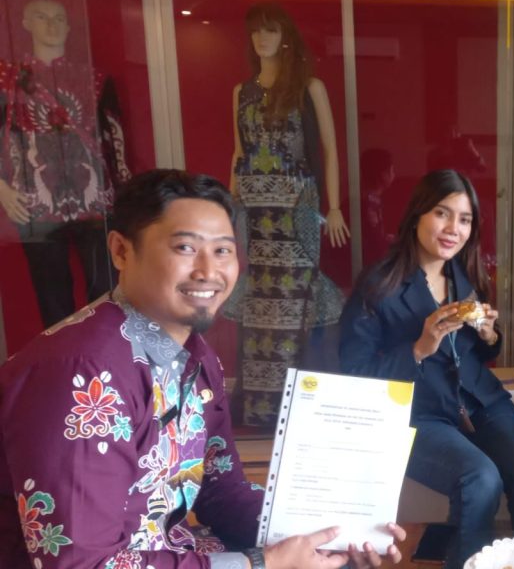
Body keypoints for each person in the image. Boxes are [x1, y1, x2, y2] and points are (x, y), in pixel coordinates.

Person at [0, 169, 404, 569]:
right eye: (185, 248)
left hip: (171, 551)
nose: (209, 271)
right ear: (121, 251)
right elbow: (79, 564)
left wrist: (330, 535)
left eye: (223, 251)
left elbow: (221, 491)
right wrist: (260, 564)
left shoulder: (197, 357)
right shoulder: (81, 374)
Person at [338, 169, 514, 569]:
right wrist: (418, 349)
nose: (454, 228)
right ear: (417, 215)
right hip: (417, 413)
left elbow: (476, 351)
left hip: (480, 401)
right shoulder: (379, 284)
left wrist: (490, 335)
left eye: (465, 219)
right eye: (442, 213)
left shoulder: (467, 275)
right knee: (481, 478)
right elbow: (355, 373)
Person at [227, 3, 348, 427]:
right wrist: (228, 209)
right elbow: (239, 153)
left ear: (285, 37)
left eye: (271, 31)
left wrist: (334, 207)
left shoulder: (308, 87)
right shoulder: (242, 92)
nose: (262, 39)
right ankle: (260, 410)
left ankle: (303, 409)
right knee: (258, 304)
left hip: (299, 208)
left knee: (299, 303)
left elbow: (329, 149)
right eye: (256, 31)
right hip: (255, 211)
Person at [0, 0, 132, 327]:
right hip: (36, 202)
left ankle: (103, 353)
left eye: (59, 18)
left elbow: (115, 139)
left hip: (93, 200)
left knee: (105, 292)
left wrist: (125, 195)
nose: (51, 25)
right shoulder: (8, 80)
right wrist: (1, 187)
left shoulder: (95, 78)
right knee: (51, 295)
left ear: (70, 26)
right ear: (26, 24)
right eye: (41, 17)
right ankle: (62, 357)